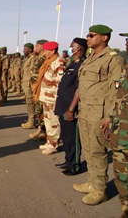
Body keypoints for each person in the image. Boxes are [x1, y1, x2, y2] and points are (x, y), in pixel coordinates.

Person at [73, 25, 124, 205]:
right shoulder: (89, 59)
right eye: (87, 35)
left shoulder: (113, 59)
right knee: (88, 149)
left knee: (97, 150)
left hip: (99, 113)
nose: (88, 38)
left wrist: (110, 117)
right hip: (85, 111)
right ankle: (92, 182)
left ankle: (100, 190)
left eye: (92, 35)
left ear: (104, 38)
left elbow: (116, 91)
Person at [105, 25, 128, 217]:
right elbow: (120, 99)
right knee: (121, 177)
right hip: (120, 134)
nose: (127, 43)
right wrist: (111, 124)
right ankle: (127, 210)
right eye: (127, 39)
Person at [54, 38, 87, 176]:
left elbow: (78, 89)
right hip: (63, 105)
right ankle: (68, 161)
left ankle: (75, 165)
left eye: (72, 46)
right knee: (65, 136)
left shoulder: (81, 65)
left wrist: (71, 109)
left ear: (79, 48)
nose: (69, 48)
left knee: (73, 138)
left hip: (70, 107)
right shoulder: (73, 63)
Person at [32, 41, 64, 155]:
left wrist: (57, 100)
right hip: (45, 97)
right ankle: (49, 141)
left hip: (53, 98)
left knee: (54, 121)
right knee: (47, 121)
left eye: (46, 51)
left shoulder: (58, 63)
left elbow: (60, 84)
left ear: (53, 51)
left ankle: (53, 144)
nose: (44, 53)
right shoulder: (49, 62)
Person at [29, 39, 48, 140]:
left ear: (43, 47)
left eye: (37, 46)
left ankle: (44, 132)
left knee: (41, 110)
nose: (35, 47)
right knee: (38, 110)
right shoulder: (38, 57)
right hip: (37, 88)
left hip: (41, 88)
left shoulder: (43, 58)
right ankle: (40, 129)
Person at [21, 43, 36, 129]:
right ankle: (30, 120)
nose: (24, 50)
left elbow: (33, 73)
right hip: (26, 85)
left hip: (29, 85)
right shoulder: (27, 58)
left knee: (30, 103)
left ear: (30, 50)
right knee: (28, 103)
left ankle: (32, 122)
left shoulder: (32, 59)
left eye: (26, 49)